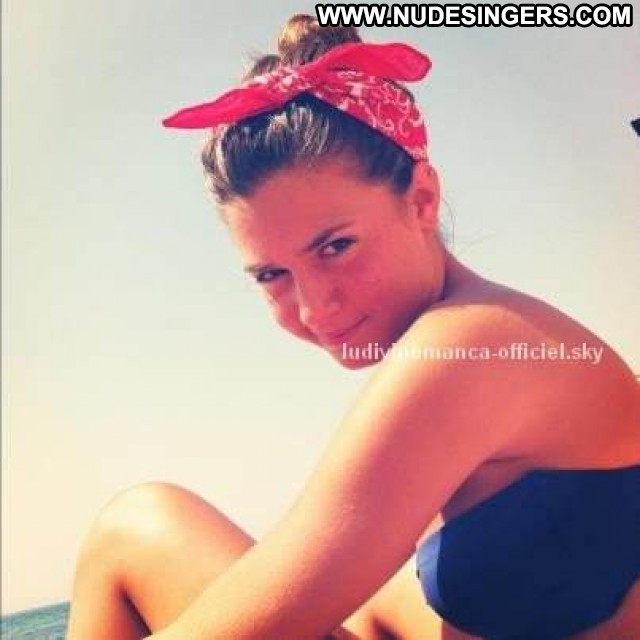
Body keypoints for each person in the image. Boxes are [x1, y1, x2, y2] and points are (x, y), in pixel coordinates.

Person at [66, 15, 640, 640]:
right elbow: (384, 609)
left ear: (422, 199)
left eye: (335, 246)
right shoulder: (497, 337)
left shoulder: (464, 347)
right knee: (139, 528)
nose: (315, 309)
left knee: (133, 526)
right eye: (272, 275)